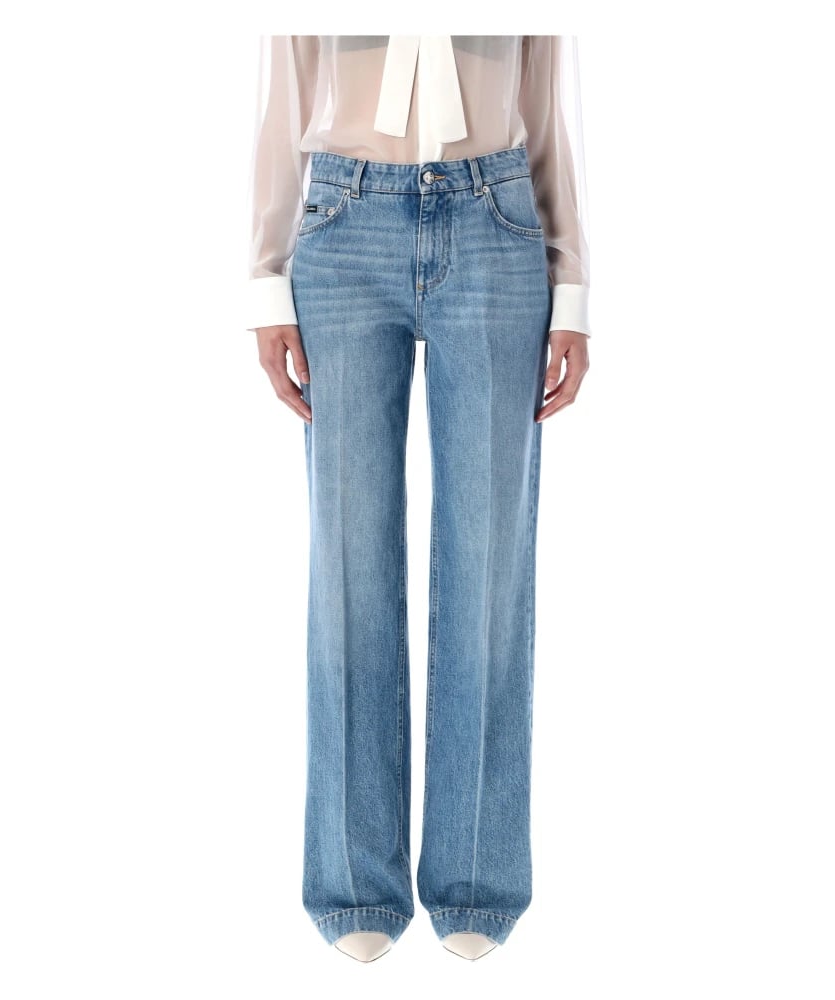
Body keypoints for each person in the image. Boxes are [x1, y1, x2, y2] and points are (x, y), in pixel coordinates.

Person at [246, 35, 593, 962]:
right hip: (343, 223)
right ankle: (355, 883)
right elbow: (285, 89)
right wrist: (265, 278)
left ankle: (476, 878)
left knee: (489, 565)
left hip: (497, 223)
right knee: (349, 563)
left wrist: (572, 287)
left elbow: (547, 97)